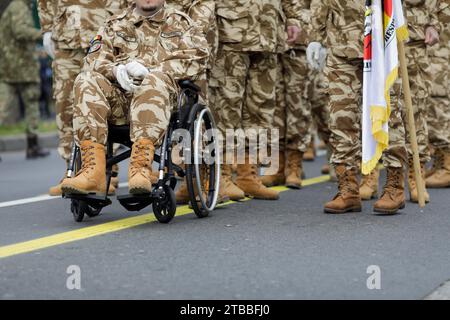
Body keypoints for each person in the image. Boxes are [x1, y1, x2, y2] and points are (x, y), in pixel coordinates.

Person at [60, 0, 208, 196]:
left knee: (152, 81)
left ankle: (141, 168)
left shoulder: (182, 23)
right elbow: (93, 60)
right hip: (121, 102)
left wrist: (153, 71)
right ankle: (91, 170)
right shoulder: (114, 25)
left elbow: (198, 57)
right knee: (85, 79)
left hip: (163, 103)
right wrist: (114, 70)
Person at [308, 0, 409, 214]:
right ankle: (348, 189)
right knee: (340, 118)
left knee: (389, 116)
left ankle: (394, 186)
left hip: (382, 44)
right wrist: (315, 37)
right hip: (341, 43)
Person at [210, 0, 302, 201]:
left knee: (260, 110)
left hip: (268, 34)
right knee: (226, 109)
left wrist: (293, 17)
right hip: (231, 34)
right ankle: (222, 176)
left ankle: (247, 175)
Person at [37, 0, 130, 195]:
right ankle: (72, 169)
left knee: (102, 100)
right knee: (65, 104)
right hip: (66, 36)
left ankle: (107, 169)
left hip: (105, 33)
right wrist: (46, 28)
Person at [359, 0, 441, 204]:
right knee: (376, 105)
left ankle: (416, 177)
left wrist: (434, 24)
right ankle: (371, 175)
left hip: (413, 36)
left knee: (415, 109)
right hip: (376, 35)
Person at [0, 0, 50, 159]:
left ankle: (33, 145)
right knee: (7, 105)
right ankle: (32, 146)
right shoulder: (18, 6)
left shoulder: (20, 6)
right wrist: (43, 35)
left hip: (17, 66)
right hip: (17, 66)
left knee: (29, 105)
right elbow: (20, 30)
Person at [425, 0, 450, 188]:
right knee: (433, 103)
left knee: (438, 102)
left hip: (441, 48)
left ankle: (447, 165)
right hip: (435, 48)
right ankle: (440, 161)